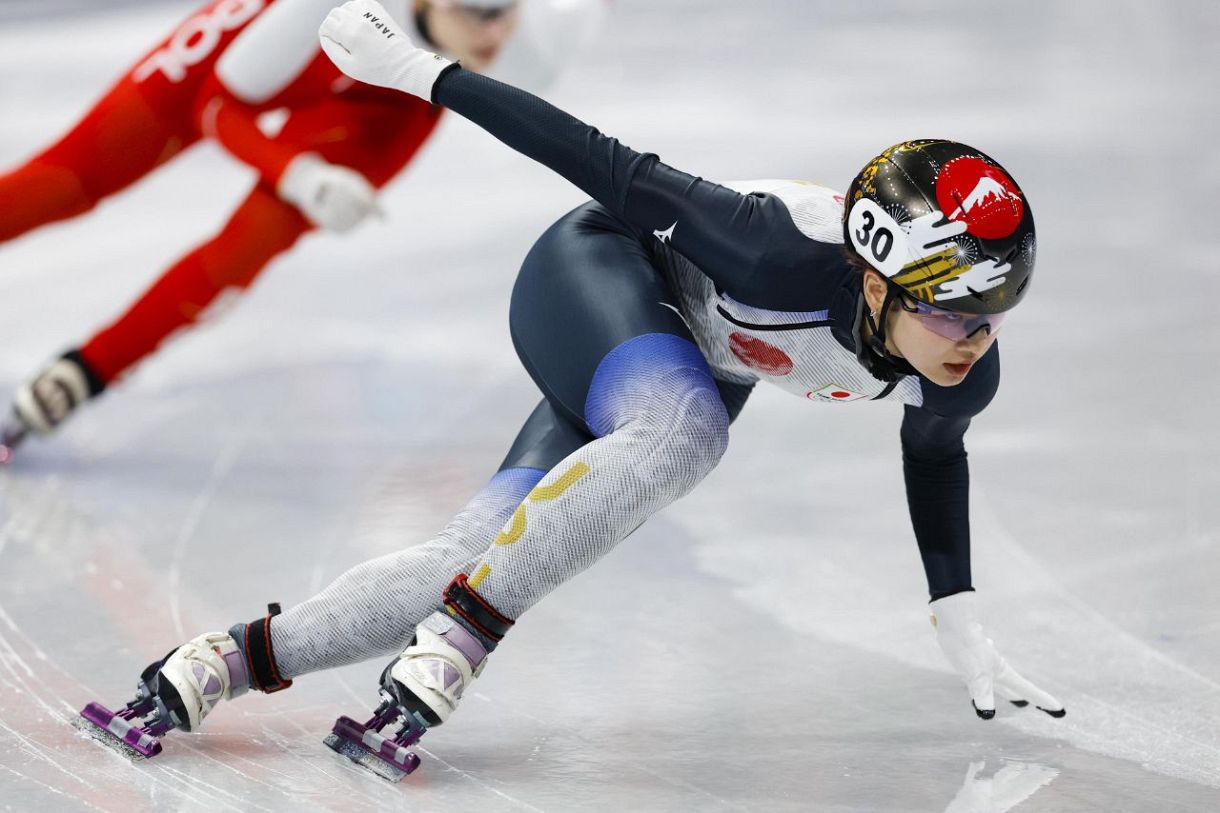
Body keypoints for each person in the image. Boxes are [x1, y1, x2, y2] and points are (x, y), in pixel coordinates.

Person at [78, 0, 1064, 781]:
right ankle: (463, 642)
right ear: (873, 275)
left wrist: (956, 610)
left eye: (989, 317)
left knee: (461, 559)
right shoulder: (770, 247)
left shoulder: (963, 365)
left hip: (678, 369)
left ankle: (216, 662)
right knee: (682, 436)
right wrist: (427, 74)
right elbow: (603, 164)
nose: (969, 342)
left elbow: (934, 453)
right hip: (599, 279)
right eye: (948, 313)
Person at [0, 0, 541, 460]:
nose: (493, 32)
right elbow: (214, 107)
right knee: (65, 186)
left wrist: (314, 190)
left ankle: (84, 373)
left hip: (389, 95)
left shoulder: (544, 31)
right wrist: (297, 175)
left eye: (506, 10)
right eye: (476, 11)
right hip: (248, 59)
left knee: (257, 239)